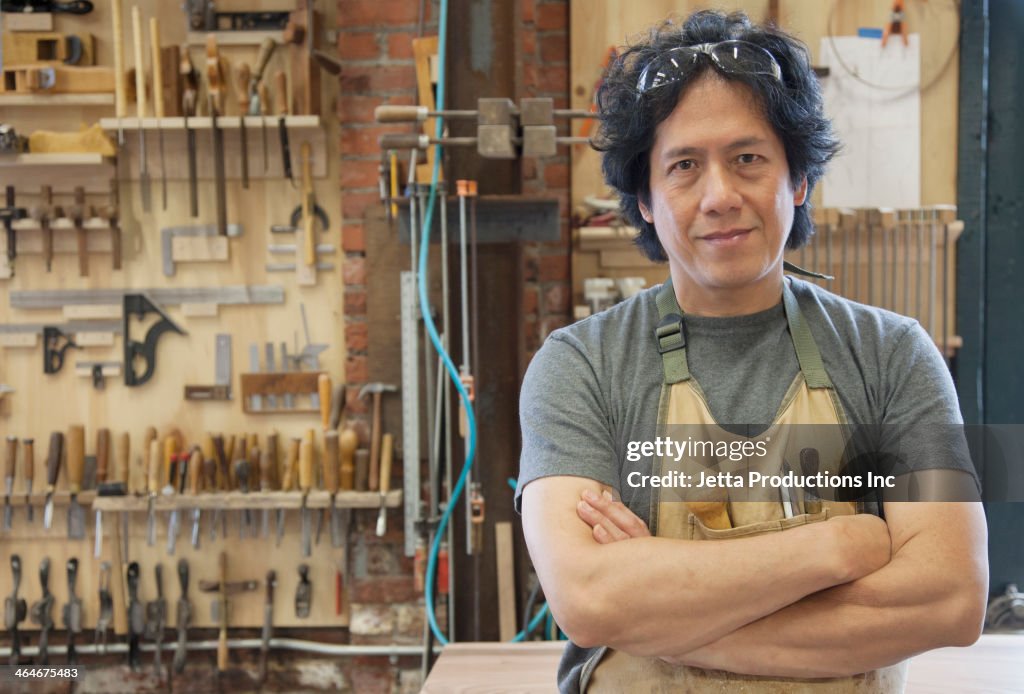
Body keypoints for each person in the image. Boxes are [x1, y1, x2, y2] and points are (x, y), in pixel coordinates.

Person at [516, 10, 988, 694]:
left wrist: (665, 611)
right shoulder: (577, 365)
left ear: (796, 182)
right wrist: (838, 548)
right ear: (645, 199)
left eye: (748, 159)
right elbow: (589, 601)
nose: (719, 196)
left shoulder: (894, 355)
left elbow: (951, 599)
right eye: (683, 166)